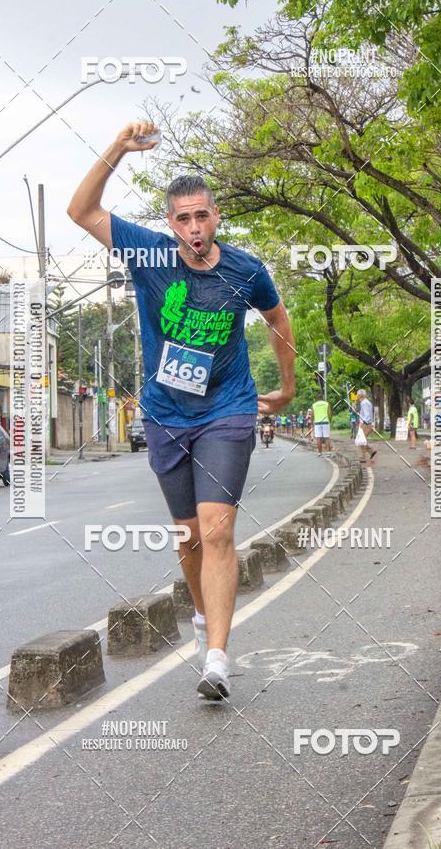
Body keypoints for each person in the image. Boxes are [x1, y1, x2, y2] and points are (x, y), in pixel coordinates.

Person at [67, 120, 295, 700]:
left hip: (229, 408)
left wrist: (287, 387)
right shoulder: (147, 256)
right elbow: (80, 210)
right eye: (183, 219)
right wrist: (117, 147)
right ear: (171, 225)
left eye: (203, 216)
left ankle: (217, 657)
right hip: (167, 414)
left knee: (218, 530)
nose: (195, 228)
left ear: (216, 217)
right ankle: (201, 619)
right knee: (189, 537)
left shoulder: (245, 270)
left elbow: (278, 320)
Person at [356, 388, 376, 462]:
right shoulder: (367, 402)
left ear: (360, 395)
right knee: (362, 440)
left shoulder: (364, 403)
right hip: (368, 423)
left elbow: (367, 415)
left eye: (357, 395)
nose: (357, 397)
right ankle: (371, 451)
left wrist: (362, 423)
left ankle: (363, 457)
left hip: (366, 424)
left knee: (361, 440)